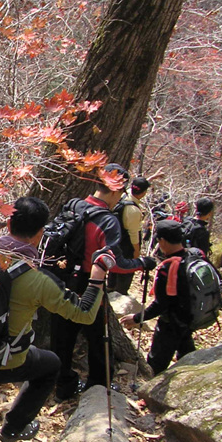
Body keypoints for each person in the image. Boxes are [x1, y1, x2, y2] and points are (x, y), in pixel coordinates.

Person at [0, 196, 112, 442]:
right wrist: (97, 277)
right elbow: (84, 314)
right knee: (50, 365)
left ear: (8, 224)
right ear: (40, 234)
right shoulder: (38, 280)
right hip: (6, 361)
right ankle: (13, 429)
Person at [51, 164, 157, 401]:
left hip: (61, 279)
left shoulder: (73, 205)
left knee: (62, 336)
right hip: (91, 285)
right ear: (117, 190)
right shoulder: (108, 221)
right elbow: (114, 262)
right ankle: (98, 383)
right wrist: (143, 263)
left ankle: (63, 385)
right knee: (98, 334)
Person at [120, 220, 196, 374]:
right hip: (190, 318)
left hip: (170, 323)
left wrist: (136, 318)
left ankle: (150, 393)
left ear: (162, 241)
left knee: (156, 363)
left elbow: (161, 304)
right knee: (188, 357)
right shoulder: (195, 256)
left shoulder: (168, 268)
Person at [108, 175, 154, 294]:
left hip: (116, 241)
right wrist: (137, 252)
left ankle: (110, 288)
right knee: (126, 271)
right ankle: (121, 293)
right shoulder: (133, 211)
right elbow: (134, 235)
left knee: (115, 267)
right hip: (127, 245)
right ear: (143, 193)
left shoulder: (123, 196)